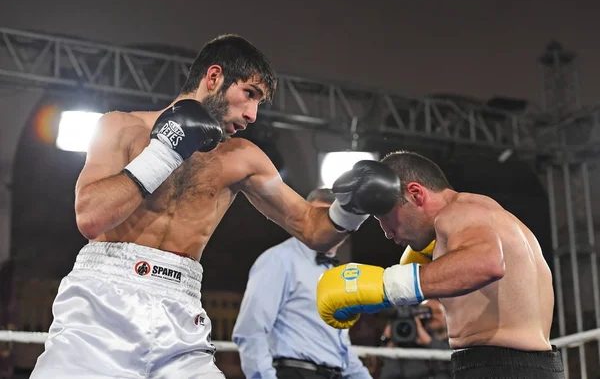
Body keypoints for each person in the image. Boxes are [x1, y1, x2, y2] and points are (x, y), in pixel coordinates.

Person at [29, 35, 401, 379]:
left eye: (259, 102)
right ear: (214, 77)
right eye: (249, 93)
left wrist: (352, 209)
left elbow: (310, 226)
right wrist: (165, 151)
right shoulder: (120, 127)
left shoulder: (243, 158)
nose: (253, 114)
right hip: (101, 304)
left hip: (179, 310)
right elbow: (91, 218)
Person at [316, 151, 565, 378]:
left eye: (386, 216)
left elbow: (487, 263)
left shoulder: (457, 213)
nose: (386, 232)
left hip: (499, 367)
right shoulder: (487, 216)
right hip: (527, 366)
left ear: (415, 194)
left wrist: (388, 285)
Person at [232, 188, 372, 379]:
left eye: (333, 221)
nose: (326, 227)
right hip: (294, 372)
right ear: (305, 218)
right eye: (319, 218)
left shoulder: (337, 274)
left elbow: (339, 346)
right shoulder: (280, 259)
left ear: (345, 229)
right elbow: (251, 330)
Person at [379, 299, 451, 379]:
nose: (432, 316)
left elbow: (454, 364)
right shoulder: (408, 351)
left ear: (447, 316)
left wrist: (428, 341)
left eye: (438, 312)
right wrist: (389, 342)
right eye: (425, 313)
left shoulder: (456, 345)